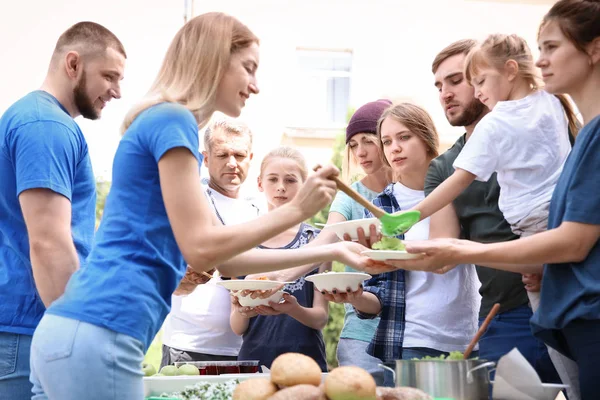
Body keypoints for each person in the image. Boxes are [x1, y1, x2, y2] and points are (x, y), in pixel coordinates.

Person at [28, 13, 384, 400]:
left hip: (68, 330)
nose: (256, 85)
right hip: (102, 330)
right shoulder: (174, 119)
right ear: (215, 59)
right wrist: (298, 210)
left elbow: (227, 261)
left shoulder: (165, 123)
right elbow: (201, 247)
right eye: (248, 68)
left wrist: (330, 247)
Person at [393, 2, 600, 397]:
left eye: (552, 47)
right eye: (439, 85)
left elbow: (574, 240)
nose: (540, 61)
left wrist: (447, 243)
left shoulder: (562, 122)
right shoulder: (560, 113)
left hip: (578, 299)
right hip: (532, 302)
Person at [0, 22, 126, 399]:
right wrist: (80, 331)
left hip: (25, 330)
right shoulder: (46, 126)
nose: (117, 92)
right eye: (109, 76)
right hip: (29, 332)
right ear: (73, 64)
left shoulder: (37, 120)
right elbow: (49, 242)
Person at [428, 39, 561, 384]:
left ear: (505, 71)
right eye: (439, 86)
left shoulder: (548, 111)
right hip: (502, 314)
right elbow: (441, 255)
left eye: (458, 80)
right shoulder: (443, 168)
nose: (446, 93)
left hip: (569, 291)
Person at [334, 103, 480, 376]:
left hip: (467, 337)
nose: (394, 148)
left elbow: (449, 258)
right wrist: (355, 296)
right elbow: (378, 296)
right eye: (387, 141)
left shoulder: (458, 188)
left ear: (426, 138)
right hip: (410, 340)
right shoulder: (381, 207)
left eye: (404, 137)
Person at [161, 119, 260, 368]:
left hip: (245, 349)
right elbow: (163, 269)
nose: (231, 163)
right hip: (187, 348)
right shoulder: (188, 202)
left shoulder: (260, 212)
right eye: (222, 154)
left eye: (239, 155)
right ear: (205, 158)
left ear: (250, 157)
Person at [231, 146, 329, 370]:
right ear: (259, 183)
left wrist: (292, 308)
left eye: (291, 180)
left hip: (307, 363)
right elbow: (237, 327)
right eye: (273, 179)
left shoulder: (315, 241)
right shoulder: (242, 241)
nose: (281, 187)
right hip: (254, 363)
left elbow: (320, 318)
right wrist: (242, 309)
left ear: (304, 186)